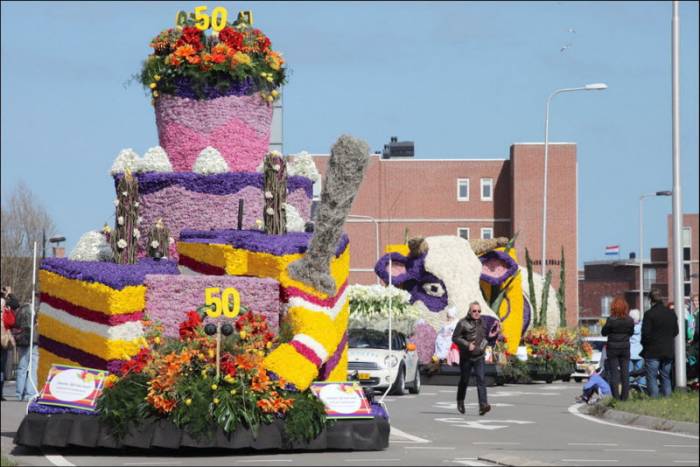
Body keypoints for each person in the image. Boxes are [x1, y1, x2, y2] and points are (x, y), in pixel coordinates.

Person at [452, 301, 490, 416]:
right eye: (474, 311)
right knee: (464, 380)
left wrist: (482, 348)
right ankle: (460, 401)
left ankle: (483, 405)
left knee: (481, 379)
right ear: (469, 311)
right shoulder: (462, 323)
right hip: (466, 357)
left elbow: (485, 337)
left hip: (479, 356)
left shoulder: (483, 322)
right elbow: (455, 338)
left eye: (479, 311)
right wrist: (467, 345)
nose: (477, 313)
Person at [641, 289, 678, 398]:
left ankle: (655, 399)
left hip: (653, 351)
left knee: (651, 376)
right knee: (666, 376)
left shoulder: (649, 314)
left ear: (650, 301)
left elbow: (645, 334)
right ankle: (667, 398)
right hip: (668, 350)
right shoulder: (671, 313)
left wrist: (645, 345)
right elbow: (676, 331)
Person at [601, 296, 634, 400]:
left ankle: (616, 398)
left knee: (614, 374)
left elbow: (603, 333)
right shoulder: (629, 320)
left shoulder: (611, 319)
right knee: (625, 373)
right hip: (625, 348)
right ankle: (625, 397)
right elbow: (631, 333)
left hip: (612, 349)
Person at [13, 302, 39, 401]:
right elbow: (30, 327)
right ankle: (30, 393)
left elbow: (15, 324)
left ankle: (19, 393)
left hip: (21, 341)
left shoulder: (19, 311)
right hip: (31, 341)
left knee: (22, 368)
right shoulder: (31, 311)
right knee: (32, 368)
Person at [1, 297, 17, 401]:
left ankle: (0, 393)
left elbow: (11, 322)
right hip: (3, 343)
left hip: (3, 344)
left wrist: (7, 310)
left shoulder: (5, 313)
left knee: (2, 369)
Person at [628, 308, 645, 389]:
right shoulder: (643, 327)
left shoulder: (628, 328)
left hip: (630, 353)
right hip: (640, 352)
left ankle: (629, 389)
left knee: (629, 373)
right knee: (641, 373)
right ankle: (642, 389)